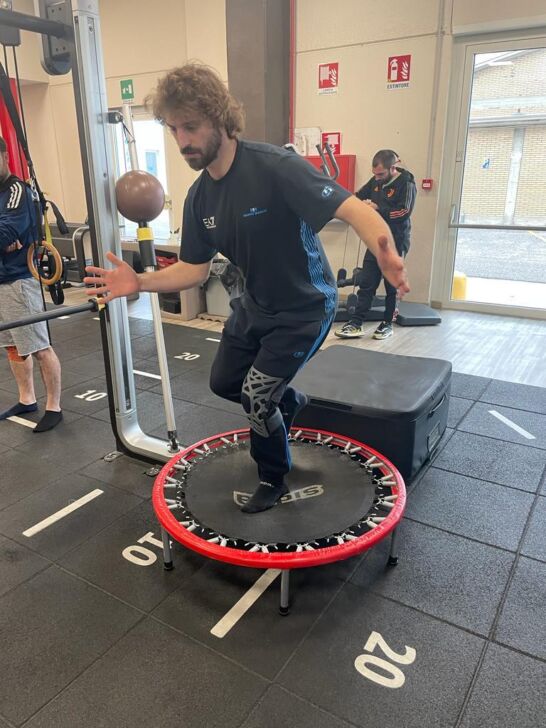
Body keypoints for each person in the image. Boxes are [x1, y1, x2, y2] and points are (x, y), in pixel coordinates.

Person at [84, 64, 409, 513]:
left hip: (304, 307)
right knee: (225, 383)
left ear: (219, 118)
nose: (182, 141)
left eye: (191, 126)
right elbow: (193, 269)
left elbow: (353, 208)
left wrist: (385, 252)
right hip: (256, 305)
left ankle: (272, 476)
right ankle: (290, 400)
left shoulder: (275, 167)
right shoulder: (200, 197)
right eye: (174, 129)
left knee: (256, 398)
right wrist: (139, 281)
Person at [0, 136, 62, 432]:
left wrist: (7, 240)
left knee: (39, 346)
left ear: (4, 157)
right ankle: (27, 398)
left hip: (19, 281)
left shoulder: (17, 191)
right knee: (13, 346)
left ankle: (54, 406)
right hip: (1, 281)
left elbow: (6, 232)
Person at [335, 149, 416, 340]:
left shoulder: (407, 183)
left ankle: (387, 324)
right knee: (367, 282)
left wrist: (378, 208)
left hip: (396, 240)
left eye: (380, 174)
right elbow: (357, 196)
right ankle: (356, 323)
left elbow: (403, 212)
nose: (377, 178)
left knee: (391, 286)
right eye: (375, 174)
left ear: (393, 168)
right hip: (376, 239)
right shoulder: (376, 181)